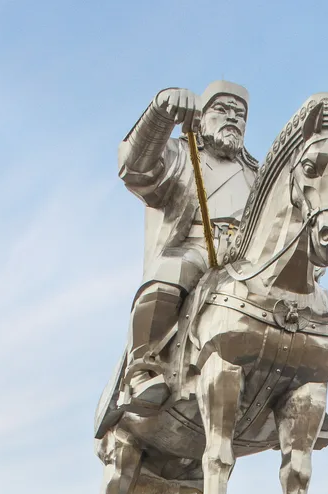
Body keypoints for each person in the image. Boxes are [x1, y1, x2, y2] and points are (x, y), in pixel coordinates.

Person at [116, 80, 258, 411]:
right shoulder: (181, 154)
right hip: (196, 248)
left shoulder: (256, 172)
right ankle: (143, 366)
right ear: (201, 116)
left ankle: (295, 388)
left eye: (240, 114)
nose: (233, 118)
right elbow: (134, 168)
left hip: (247, 259)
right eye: (222, 110)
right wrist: (160, 114)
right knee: (172, 271)